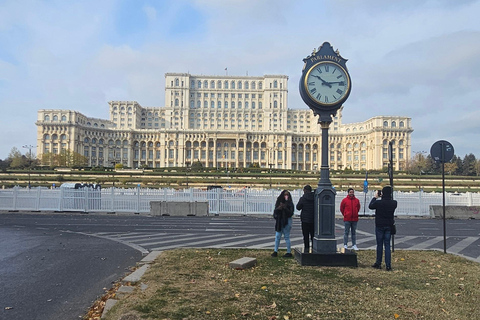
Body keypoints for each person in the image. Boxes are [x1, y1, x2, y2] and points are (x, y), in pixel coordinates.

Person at [369, 186, 397, 271]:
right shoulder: (394, 203)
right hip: (389, 225)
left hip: (379, 225)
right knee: (387, 245)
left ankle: (378, 262)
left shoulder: (379, 203)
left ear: (382, 193)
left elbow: (370, 206)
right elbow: (388, 202)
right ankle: (388, 265)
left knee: (379, 245)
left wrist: (375, 197)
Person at [272, 190, 294, 258]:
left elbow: (290, 213)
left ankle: (288, 252)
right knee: (277, 237)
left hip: (286, 221)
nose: (286, 196)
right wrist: (279, 208)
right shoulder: (279, 202)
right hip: (279, 221)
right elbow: (275, 212)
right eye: (285, 195)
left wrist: (285, 208)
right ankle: (275, 251)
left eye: (287, 195)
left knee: (286, 237)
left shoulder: (290, 203)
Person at [296, 185, 315, 253]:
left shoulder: (303, 198)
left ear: (305, 190)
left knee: (305, 235)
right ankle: (313, 247)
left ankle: (306, 248)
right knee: (313, 235)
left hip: (305, 219)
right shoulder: (315, 198)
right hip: (313, 219)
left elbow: (298, 207)